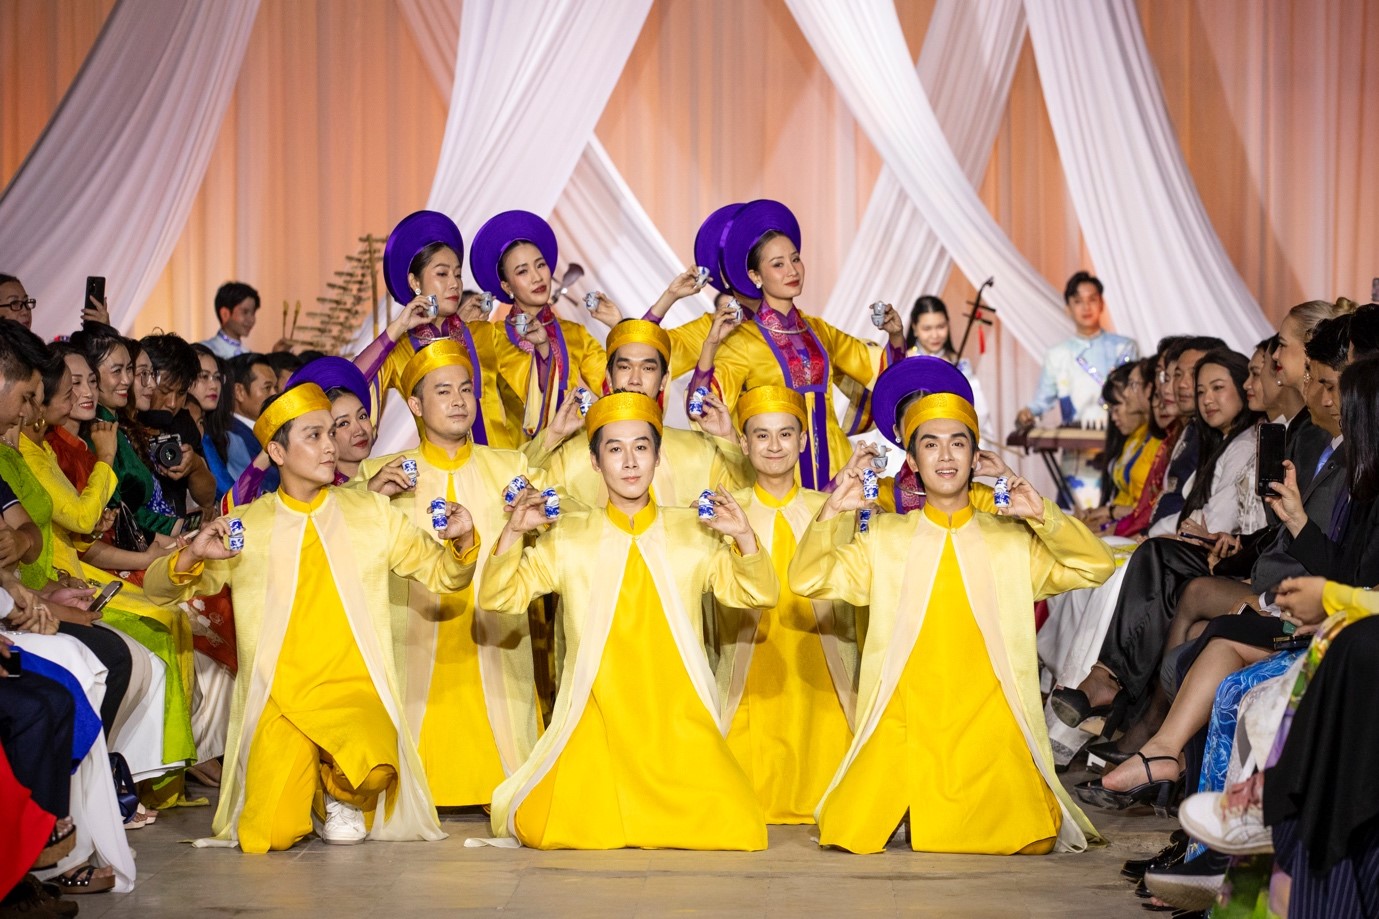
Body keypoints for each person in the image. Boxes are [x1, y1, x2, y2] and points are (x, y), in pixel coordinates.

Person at [142, 382, 479, 852]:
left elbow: (445, 575)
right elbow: (158, 591)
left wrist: (463, 542)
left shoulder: (371, 512)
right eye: (314, 435)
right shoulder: (247, 525)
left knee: (375, 768)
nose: (330, 446)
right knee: (266, 836)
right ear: (277, 452)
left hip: (353, 691)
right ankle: (316, 789)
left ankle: (339, 790)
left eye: (331, 433)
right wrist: (192, 555)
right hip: (281, 699)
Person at [788, 386, 1115, 854]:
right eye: (930, 444)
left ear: (975, 458)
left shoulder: (1010, 540)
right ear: (913, 461)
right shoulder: (885, 537)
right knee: (848, 832)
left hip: (987, 718)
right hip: (904, 718)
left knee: (1032, 839)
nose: (945, 456)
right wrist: (831, 511)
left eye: (958, 443)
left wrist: (1044, 514)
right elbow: (807, 578)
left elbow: (1096, 566)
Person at [477, 391, 777, 850]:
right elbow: (499, 597)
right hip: (596, 716)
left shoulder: (694, 531)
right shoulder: (568, 536)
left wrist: (745, 538)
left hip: (679, 721)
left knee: (742, 828)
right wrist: (513, 533)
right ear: (595, 462)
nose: (630, 461)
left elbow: (759, 593)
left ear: (658, 455)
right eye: (615, 449)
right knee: (540, 826)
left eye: (641, 447)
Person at [356, 341, 540, 806]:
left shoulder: (510, 467)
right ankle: (417, 790)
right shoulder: (381, 473)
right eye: (443, 391)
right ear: (416, 405)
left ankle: (500, 786)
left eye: (465, 388)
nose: (459, 400)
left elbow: (549, 530)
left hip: (491, 625)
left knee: (501, 711)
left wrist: (541, 514)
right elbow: (346, 550)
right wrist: (370, 498)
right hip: (414, 629)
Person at [688, 199, 906, 489]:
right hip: (779, 472)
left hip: (837, 468)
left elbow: (881, 375)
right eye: (778, 264)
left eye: (795, 259)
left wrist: (895, 336)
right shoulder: (743, 340)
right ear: (755, 276)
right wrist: (711, 345)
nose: (792, 270)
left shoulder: (820, 330)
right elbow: (702, 406)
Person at [716, 385, 859, 824]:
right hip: (751, 658)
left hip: (820, 659)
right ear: (743, 444)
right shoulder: (726, 513)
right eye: (761, 435)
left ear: (803, 441)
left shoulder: (833, 510)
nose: (774, 445)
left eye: (785, 434)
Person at [522, 319, 753, 506]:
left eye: (648, 368)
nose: (635, 379)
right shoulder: (571, 454)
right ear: (609, 378)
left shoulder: (700, 451)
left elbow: (751, 497)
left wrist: (729, 439)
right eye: (624, 367)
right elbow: (518, 490)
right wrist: (553, 435)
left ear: (663, 380)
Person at [375, 210, 515, 448]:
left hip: (499, 466)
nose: (454, 283)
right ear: (415, 282)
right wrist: (397, 327)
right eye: (442, 273)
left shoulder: (484, 334)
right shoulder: (400, 351)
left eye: (458, 274)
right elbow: (352, 383)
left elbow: (531, 387)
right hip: (440, 468)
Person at [469, 210, 607, 441]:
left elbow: (615, 385)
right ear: (506, 286)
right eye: (522, 271)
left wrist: (617, 323)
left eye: (540, 265)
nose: (537, 277)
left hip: (576, 453)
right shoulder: (491, 337)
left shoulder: (575, 334)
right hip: (522, 456)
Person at [1015, 272, 1140, 508]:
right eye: (1078, 301)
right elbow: (1041, 401)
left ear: (1102, 303)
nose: (1086, 307)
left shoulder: (1124, 347)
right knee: (1073, 517)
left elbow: (1136, 398)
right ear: (1068, 308)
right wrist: (1028, 413)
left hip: (1118, 446)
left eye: (1092, 299)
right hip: (1075, 452)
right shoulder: (1058, 354)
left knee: (1119, 511)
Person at [903, 295, 992, 442]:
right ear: (915, 328)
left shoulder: (960, 364)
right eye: (927, 328)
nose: (935, 335)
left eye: (941, 327)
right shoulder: (904, 363)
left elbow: (978, 410)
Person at [224, 352, 278, 484]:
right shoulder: (231, 437)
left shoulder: (266, 431)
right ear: (239, 392)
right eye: (267, 387)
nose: (275, 394)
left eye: (275, 387)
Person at [200, 282, 289, 359]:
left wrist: (276, 356)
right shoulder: (205, 352)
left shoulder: (248, 355)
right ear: (225, 314)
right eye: (245, 312)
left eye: (253, 313)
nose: (252, 320)